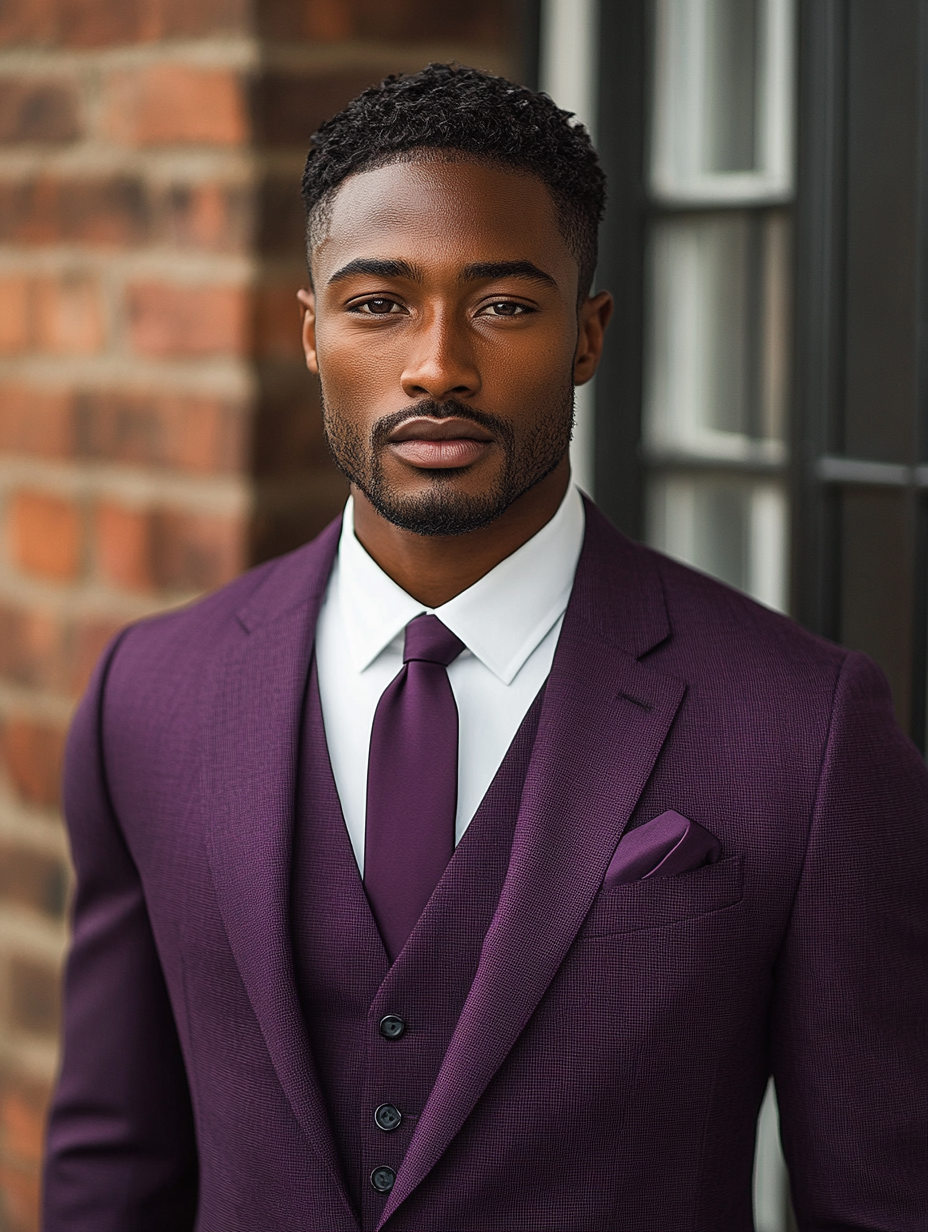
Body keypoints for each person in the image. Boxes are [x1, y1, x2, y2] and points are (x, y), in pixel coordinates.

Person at [42, 64, 927, 1232]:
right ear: (309, 335)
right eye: (377, 304)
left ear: (587, 334)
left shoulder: (806, 728)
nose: (437, 365)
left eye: (504, 304)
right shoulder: (147, 696)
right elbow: (114, 1161)